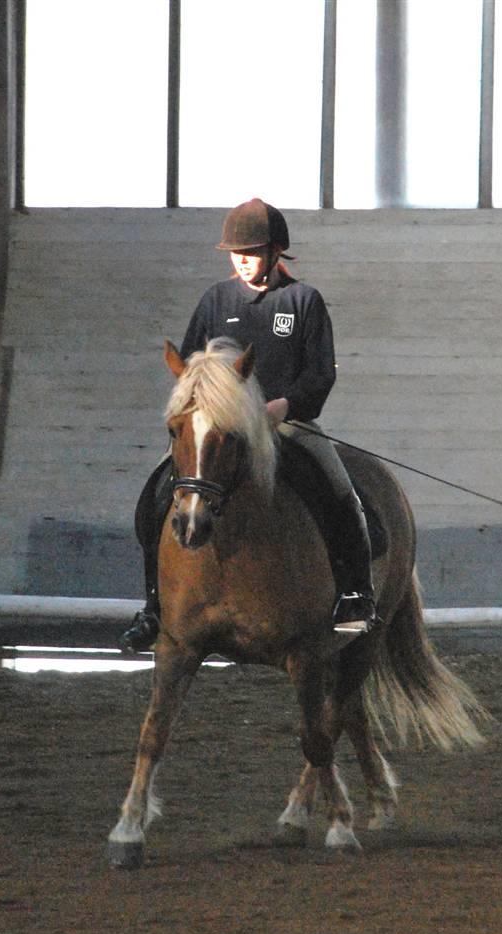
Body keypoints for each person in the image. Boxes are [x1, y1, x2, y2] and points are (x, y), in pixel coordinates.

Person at [121, 197, 376, 652]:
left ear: (276, 252)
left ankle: (355, 595)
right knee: (157, 491)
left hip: (285, 426)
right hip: (220, 432)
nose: (242, 261)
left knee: (341, 492)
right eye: (236, 253)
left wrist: (284, 405)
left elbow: (321, 373)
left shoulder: (303, 301)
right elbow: (190, 365)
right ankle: (153, 607)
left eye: (252, 253)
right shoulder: (215, 299)